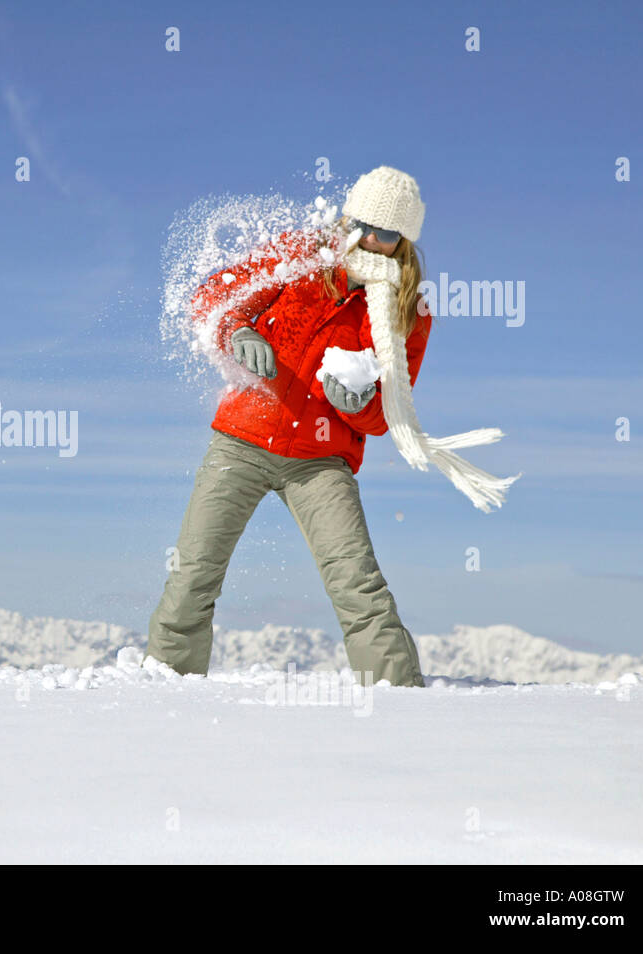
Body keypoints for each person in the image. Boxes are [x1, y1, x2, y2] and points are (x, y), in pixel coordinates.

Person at [146, 166, 518, 686]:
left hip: (322, 462)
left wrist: (354, 402)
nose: (369, 238)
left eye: (385, 233)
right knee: (193, 576)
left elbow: (386, 416)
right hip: (243, 440)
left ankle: (399, 698)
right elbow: (214, 296)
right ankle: (164, 690)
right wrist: (236, 331)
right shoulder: (300, 257)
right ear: (346, 217)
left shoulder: (408, 311)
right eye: (361, 223)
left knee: (358, 587)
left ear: (403, 243)